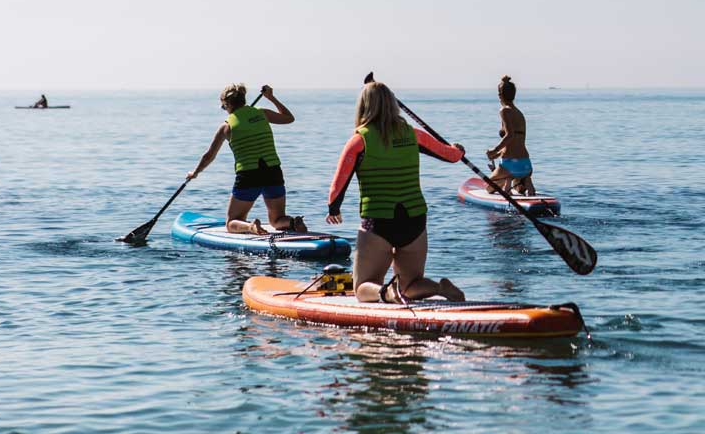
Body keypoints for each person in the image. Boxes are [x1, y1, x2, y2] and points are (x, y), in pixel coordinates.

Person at [325, 76, 466, 303]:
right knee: (410, 285)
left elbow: (338, 184)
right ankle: (441, 288)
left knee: (361, 288)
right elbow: (451, 156)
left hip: (378, 221)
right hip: (415, 220)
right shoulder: (413, 134)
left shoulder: (360, 140)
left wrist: (334, 208)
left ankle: (386, 292)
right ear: (392, 105)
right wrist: (458, 150)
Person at [187, 84, 306, 234]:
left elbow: (209, 155)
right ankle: (292, 222)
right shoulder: (262, 113)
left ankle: (251, 226)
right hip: (273, 172)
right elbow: (289, 118)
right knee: (277, 220)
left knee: (231, 222)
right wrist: (271, 98)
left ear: (228, 104)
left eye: (224, 107)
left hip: (249, 176)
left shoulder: (226, 127)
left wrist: (195, 172)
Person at [485, 75, 535, 196]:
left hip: (510, 165)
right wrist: (497, 154)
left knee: (489, 188)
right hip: (526, 164)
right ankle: (523, 182)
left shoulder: (504, 110)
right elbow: (516, 141)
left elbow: (510, 135)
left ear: (500, 95)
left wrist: (494, 150)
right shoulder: (519, 114)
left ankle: (507, 178)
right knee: (519, 189)